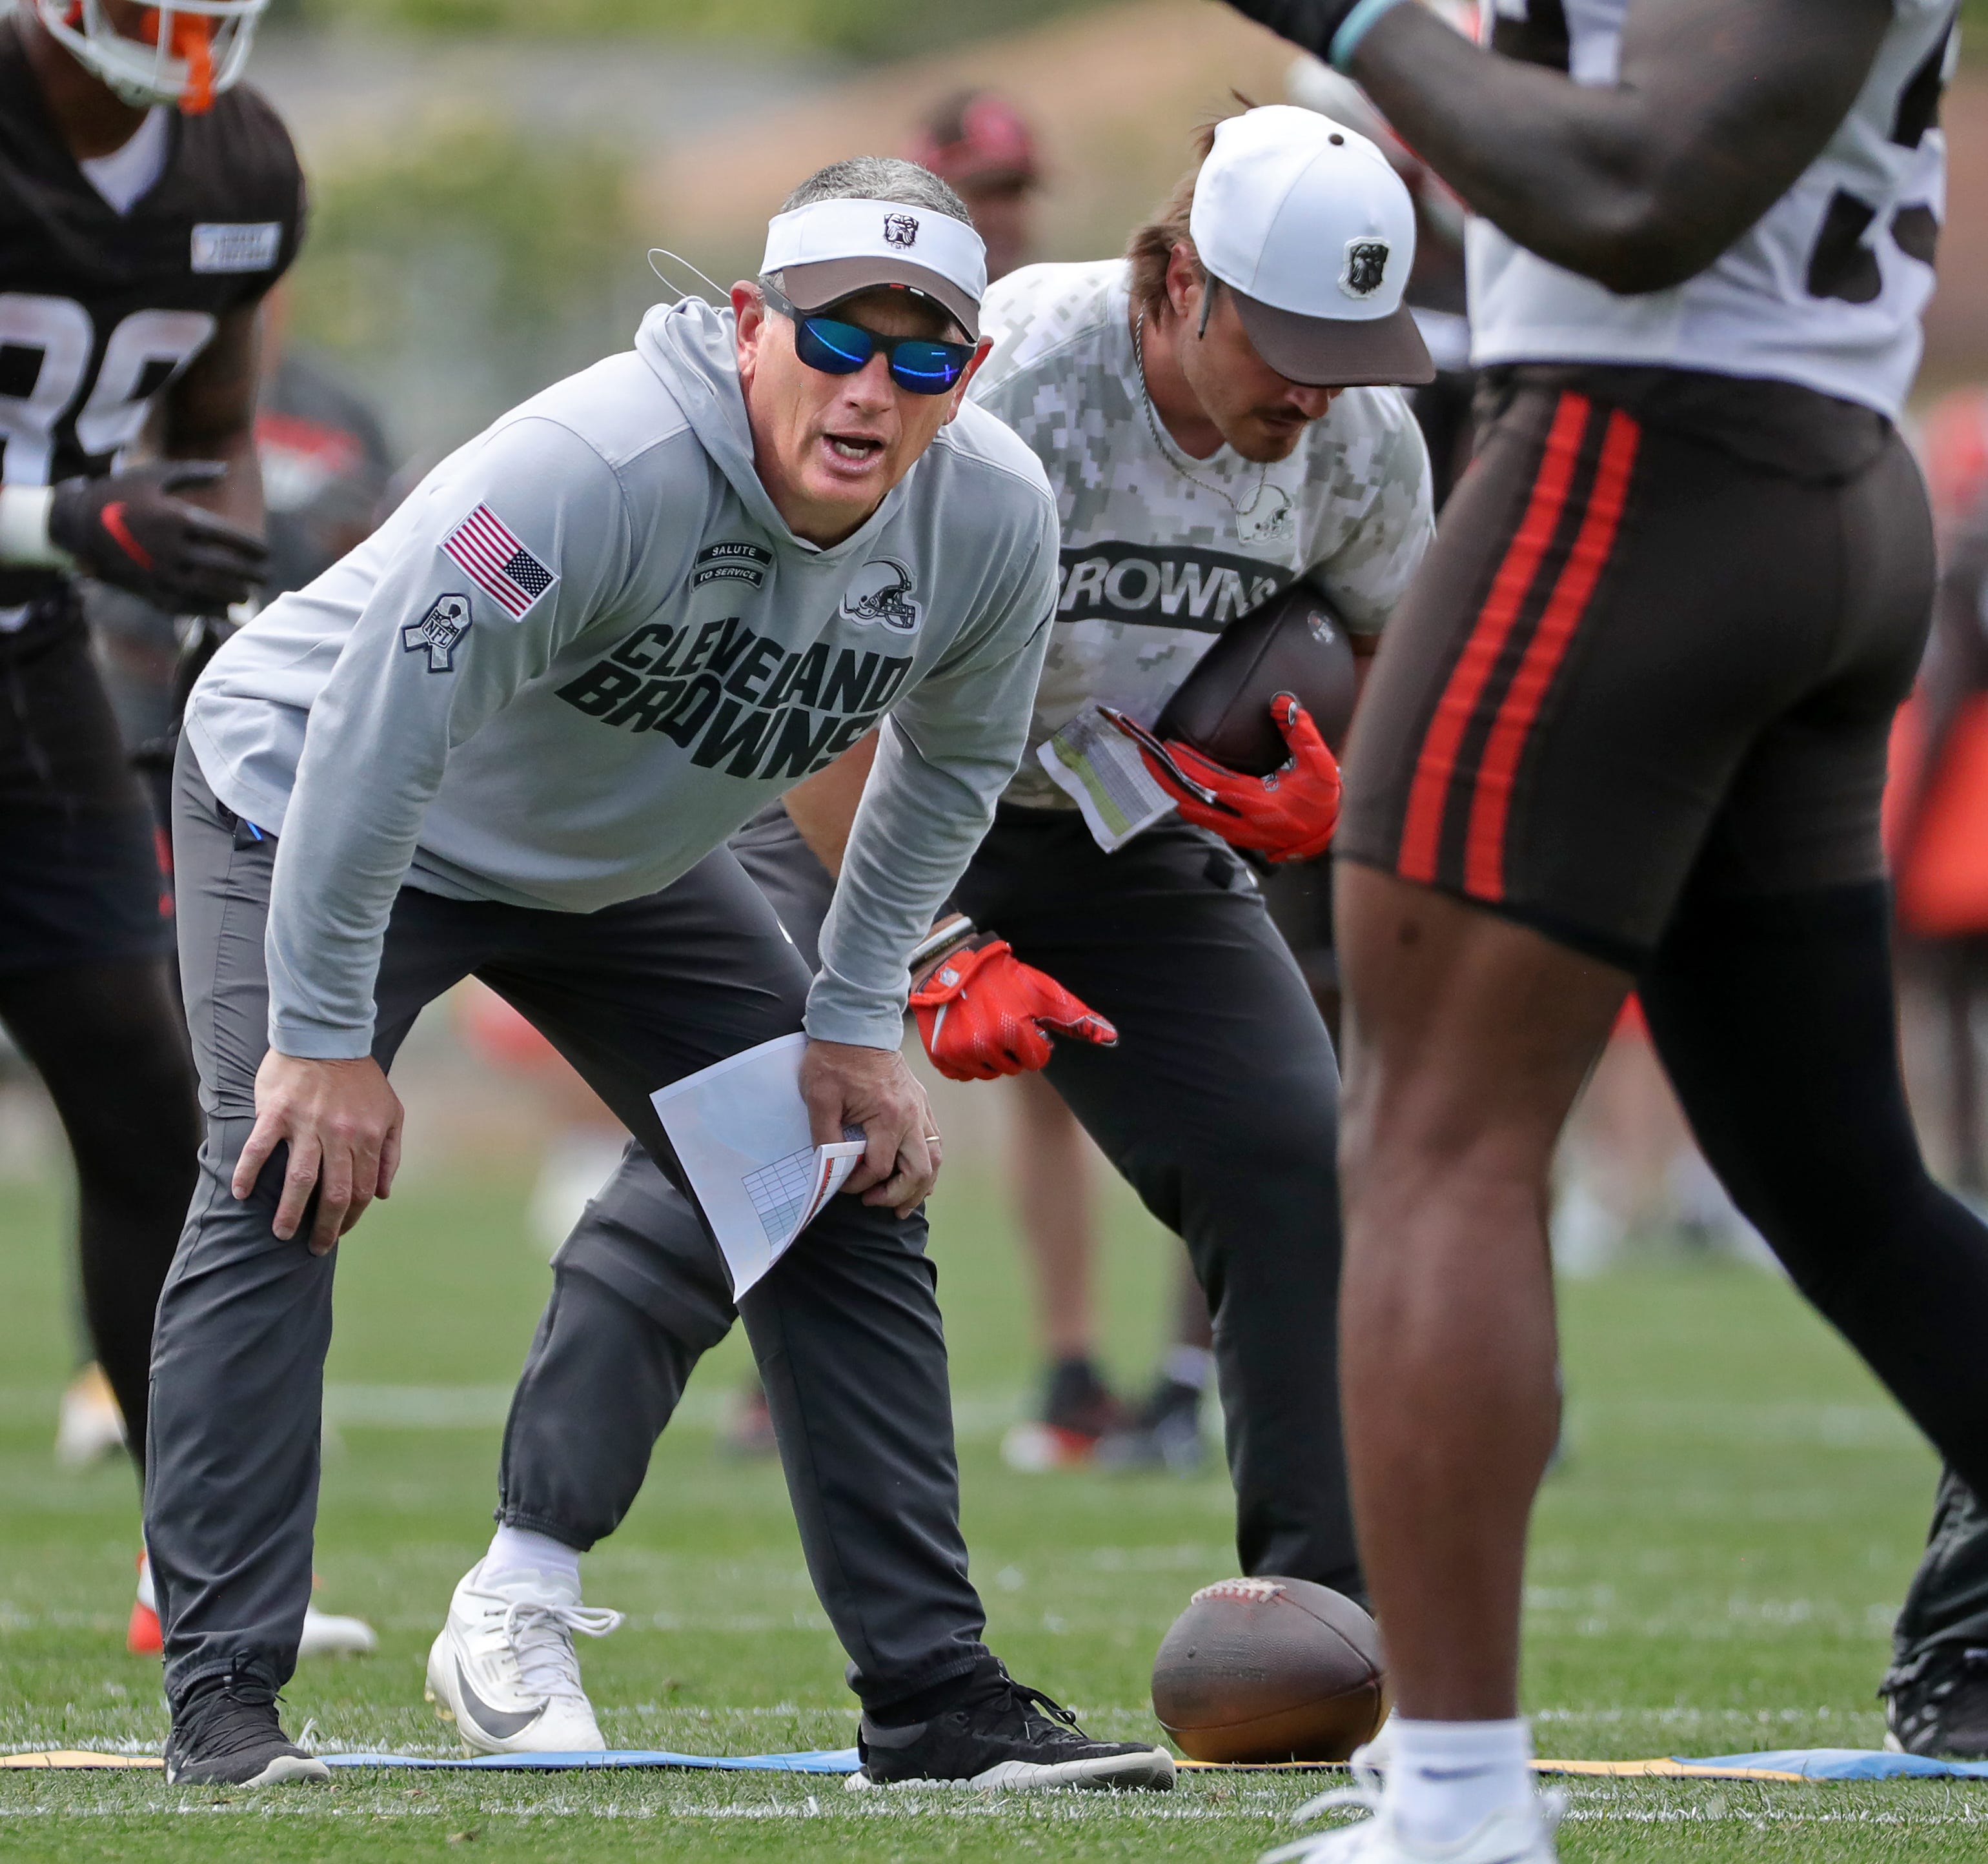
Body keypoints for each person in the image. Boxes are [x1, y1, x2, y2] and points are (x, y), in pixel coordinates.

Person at [144, 152, 1177, 1797]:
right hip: (321, 790)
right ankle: (222, 1702)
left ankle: (934, 1703)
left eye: (922, 355)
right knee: (283, 1166)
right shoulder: (590, 463)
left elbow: (949, 767)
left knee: (835, 1171)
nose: (872, 386)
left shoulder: (989, 510)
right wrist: (328, 1036)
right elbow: (376, 730)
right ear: (751, 324)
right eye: (840, 336)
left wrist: (852, 1022)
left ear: (968, 374)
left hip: (607, 855)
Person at [436, 103, 1434, 1757]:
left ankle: (1323, 1635)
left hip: (1108, 824)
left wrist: (1340, 796)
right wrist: (937, 947)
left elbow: (1401, 661)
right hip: (832, 777)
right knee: (759, 1151)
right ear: (1178, 279)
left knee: (1286, 1147)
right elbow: (830, 673)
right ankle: (518, 1592)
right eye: (1285, 335)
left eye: (1351, 344)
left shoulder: (1356, 438)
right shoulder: (1011, 378)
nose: (1317, 383)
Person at [1219, 2, 1985, 1861]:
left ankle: (1464, 1807)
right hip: (1807, 479)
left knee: (1430, 1141)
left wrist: (1358, 28)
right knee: (1834, 1175)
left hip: (1646, 473)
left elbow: (1639, 194)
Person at [0, 0, 321, 1651]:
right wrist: (54, 518)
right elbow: (86, 496)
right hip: (33, 584)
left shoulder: (238, 159)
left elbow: (209, 451)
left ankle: (179, 1554)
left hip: (23, 663)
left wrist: (220, 599)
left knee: (143, 1092)